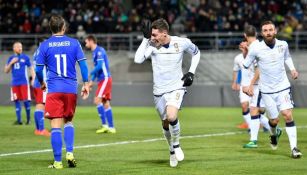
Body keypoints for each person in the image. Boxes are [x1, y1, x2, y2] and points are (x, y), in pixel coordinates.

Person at [134, 18, 200, 167]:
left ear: (164, 33)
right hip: (159, 91)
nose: (153, 37)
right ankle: (171, 150)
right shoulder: (151, 45)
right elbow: (138, 60)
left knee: (171, 116)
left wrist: (191, 72)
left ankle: (176, 144)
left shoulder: (181, 42)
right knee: (165, 122)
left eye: (155, 35)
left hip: (177, 86)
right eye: (151, 35)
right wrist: (145, 40)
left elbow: (196, 53)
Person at [35, 15, 90, 169]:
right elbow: (83, 66)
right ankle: (70, 153)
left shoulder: (44, 45)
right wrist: (85, 84)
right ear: (64, 27)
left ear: (51, 28)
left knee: (55, 126)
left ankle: (58, 162)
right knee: (69, 121)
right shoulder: (74, 43)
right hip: (70, 89)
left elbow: (38, 70)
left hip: (54, 89)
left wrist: (41, 83)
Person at [242, 21, 302, 158]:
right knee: (274, 120)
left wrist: (292, 70)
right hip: (267, 91)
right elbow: (246, 66)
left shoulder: (283, 45)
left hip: (283, 87)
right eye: (265, 30)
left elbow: (287, 57)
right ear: (262, 33)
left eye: (270, 30)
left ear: (275, 31)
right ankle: (273, 134)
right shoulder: (256, 49)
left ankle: (294, 148)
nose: (268, 32)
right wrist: (247, 84)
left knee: (287, 114)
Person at [237, 25, 271, 148]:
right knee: (256, 111)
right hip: (258, 84)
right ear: (256, 34)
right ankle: (257, 138)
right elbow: (249, 65)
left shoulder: (256, 47)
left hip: (259, 85)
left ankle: (256, 139)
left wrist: (250, 85)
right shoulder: (254, 46)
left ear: (245, 35)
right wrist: (245, 51)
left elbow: (259, 69)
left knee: (255, 110)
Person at [85, 35, 116, 134]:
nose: (85, 44)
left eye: (86, 42)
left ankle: (105, 125)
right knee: (105, 103)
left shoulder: (99, 51)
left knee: (97, 100)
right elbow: (97, 71)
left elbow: (99, 67)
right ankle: (111, 127)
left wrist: (89, 73)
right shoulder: (95, 52)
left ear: (91, 41)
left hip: (105, 79)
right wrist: (91, 82)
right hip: (102, 79)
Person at [4, 42, 35, 125]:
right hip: (14, 83)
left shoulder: (25, 57)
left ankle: (28, 120)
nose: (20, 48)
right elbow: (6, 71)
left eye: (21, 46)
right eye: (18, 47)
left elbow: (31, 68)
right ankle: (19, 120)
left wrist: (33, 78)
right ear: (14, 48)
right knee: (16, 101)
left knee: (26, 101)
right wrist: (11, 63)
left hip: (24, 83)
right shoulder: (11, 58)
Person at [32, 39, 50, 136]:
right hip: (42, 82)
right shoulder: (43, 52)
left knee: (38, 105)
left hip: (36, 82)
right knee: (41, 105)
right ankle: (41, 129)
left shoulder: (36, 52)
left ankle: (38, 129)